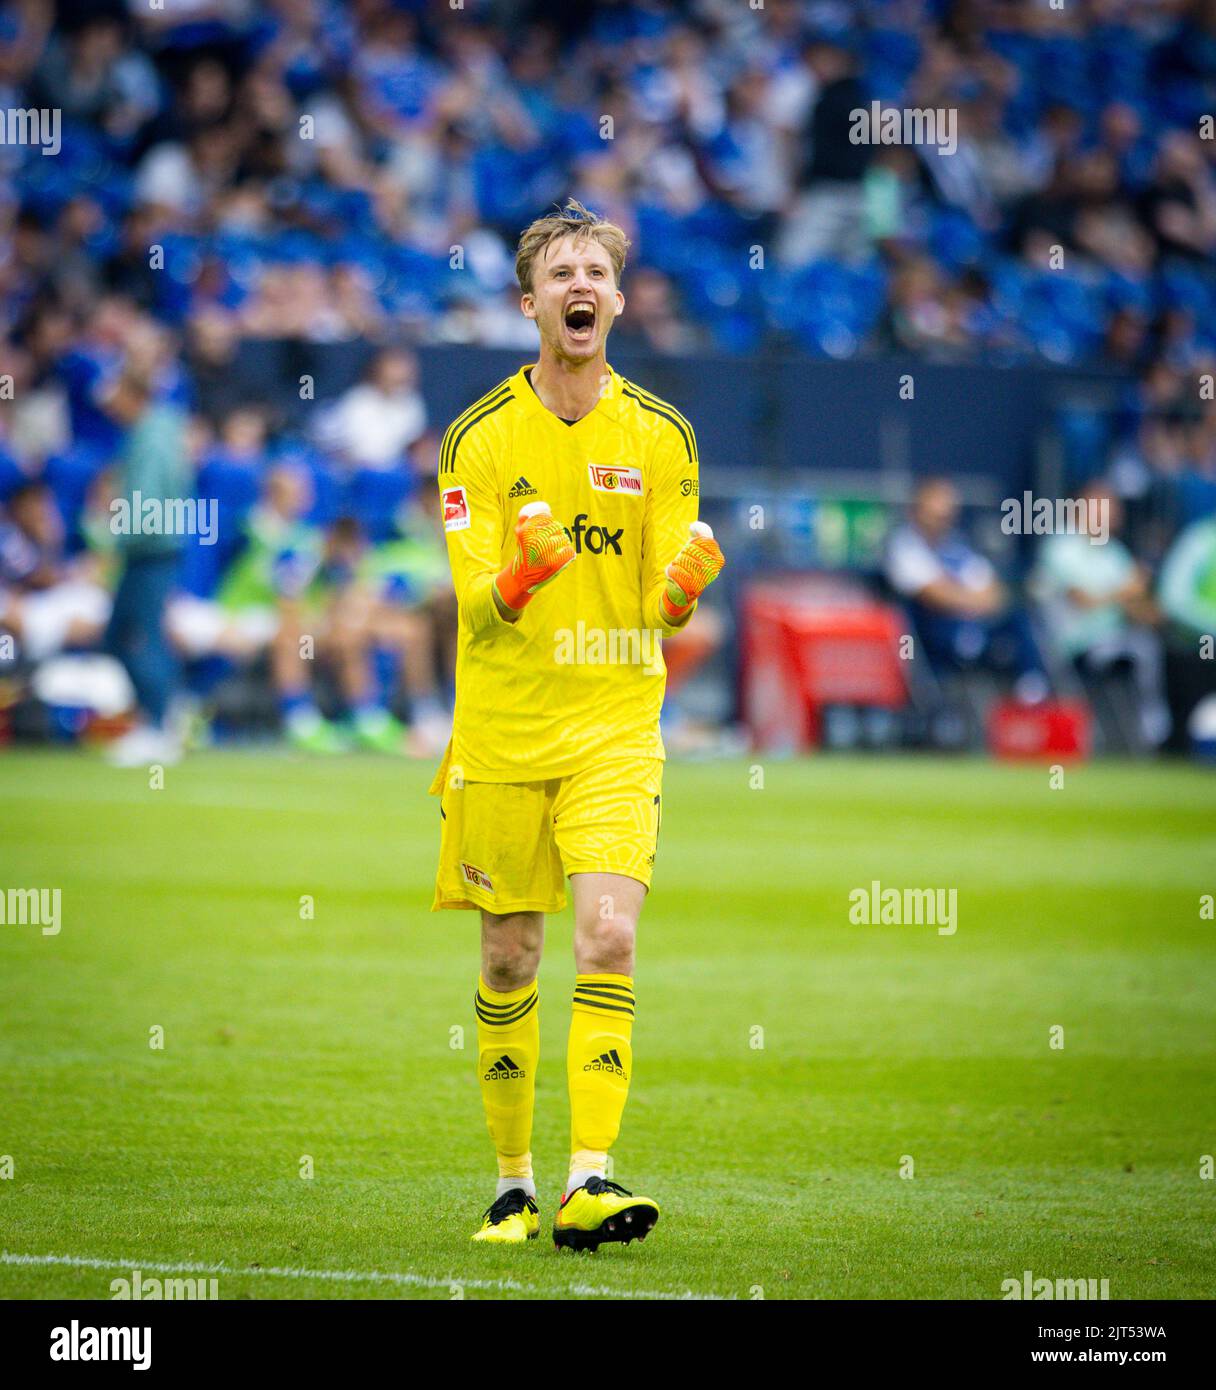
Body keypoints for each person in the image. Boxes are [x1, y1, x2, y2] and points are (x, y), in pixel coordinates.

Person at [430, 199, 724, 1250]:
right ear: (530, 303)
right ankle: (511, 1184)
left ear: (619, 299)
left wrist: (682, 598)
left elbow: (659, 603)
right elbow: (473, 600)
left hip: (612, 724)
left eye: (595, 270)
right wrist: (520, 573)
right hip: (505, 728)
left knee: (608, 934)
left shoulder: (661, 434)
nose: (580, 287)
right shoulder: (475, 438)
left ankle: (587, 1181)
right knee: (509, 956)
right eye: (560, 274)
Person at [885, 477, 1049, 702]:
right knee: (943, 623)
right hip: (930, 632)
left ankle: (1031, 690)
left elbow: (995, 593)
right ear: (918, 510)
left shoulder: (957, 545)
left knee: (1017, 619)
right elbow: (933, 596)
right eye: (935, 512)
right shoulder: (905, 545)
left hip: (973, 623)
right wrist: (968, 597)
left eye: (947, 514)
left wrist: (963, 596)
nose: (942, 519)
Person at [1033, 482, 1170, 748]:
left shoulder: (1115, 553)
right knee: (1141, 649)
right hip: (1072, 644)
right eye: (1103, 506)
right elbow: (1082, 600)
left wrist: (1155, 610)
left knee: (1151, 644)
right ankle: (1150, 726)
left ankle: (1152, 730)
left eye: (1113, 508)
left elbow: (1134, 605)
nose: (1111, 514)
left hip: (1114, 639)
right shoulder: (1061, 545)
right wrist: (1124, 591)